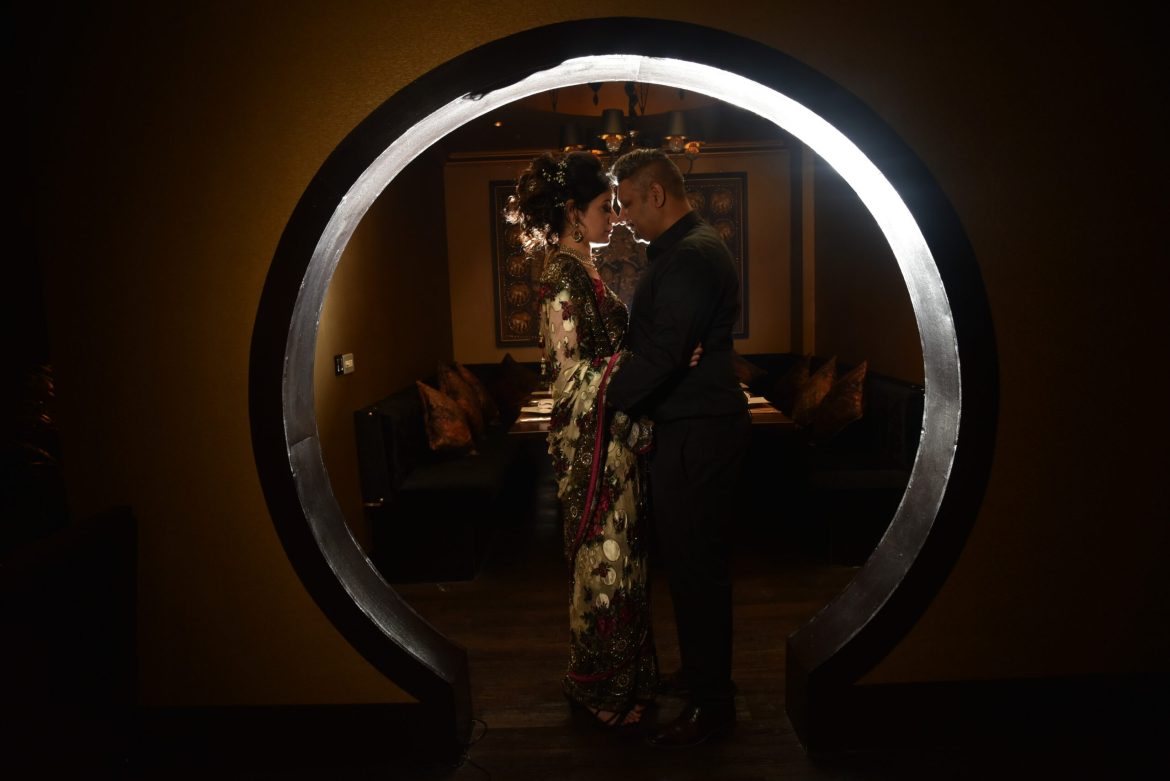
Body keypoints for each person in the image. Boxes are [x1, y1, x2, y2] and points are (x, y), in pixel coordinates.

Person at [505, 151, 672, 730]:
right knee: (605, 567)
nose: (616, 217)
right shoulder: (563, 277)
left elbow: (610, 354)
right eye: (605, 207)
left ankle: (629, 679)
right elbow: (570, 377)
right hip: (593, 449)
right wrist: (645, 365)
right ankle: (601, 687)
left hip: (616, 443)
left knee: (625, 564)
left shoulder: (587, 271)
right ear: (574, 214)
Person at [605, 148, 751, 748]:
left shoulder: (692, 254)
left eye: (628, 203)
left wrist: (603, 400)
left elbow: (664, 354)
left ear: (657, 194)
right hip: (691, 425)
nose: (623, 216)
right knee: (690, 568)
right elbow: (667, 350)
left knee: (698, 572)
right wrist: (661, 358)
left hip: (699, 431)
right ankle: (700, 676)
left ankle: (713, 707)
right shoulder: (686, 249)